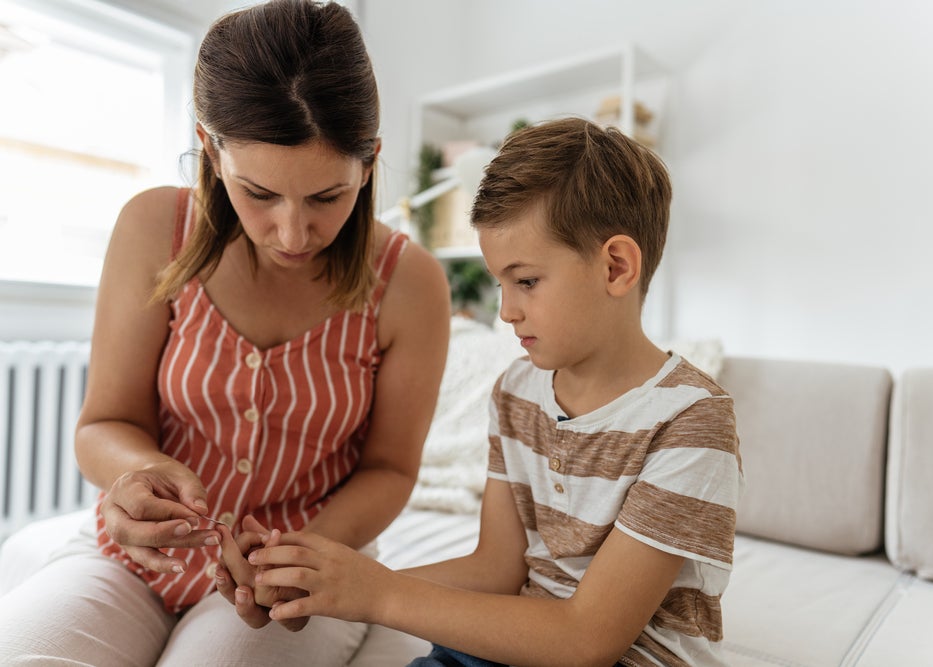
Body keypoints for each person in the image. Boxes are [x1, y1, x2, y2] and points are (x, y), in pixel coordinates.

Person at [0, 1, 450, 665]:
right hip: (131, 558)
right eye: (259, 193)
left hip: (304, 569)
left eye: (329, 196)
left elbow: (390, 468)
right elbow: (104, 423)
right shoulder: (155, 229)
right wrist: (141, 473)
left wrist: (296, 556)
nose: (293, 234)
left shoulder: (411, 284)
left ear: (370, 161)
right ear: (210, 149)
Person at [245, 117, 745, 666]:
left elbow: (588, 639)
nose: (506, 311)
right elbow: (498, 568)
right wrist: (335, 585)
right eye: (499, 283)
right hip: (505, 647)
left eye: (526, 280)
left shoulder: (692, 420)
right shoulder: (517, 391)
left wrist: (378, 594)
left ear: (616, 267)